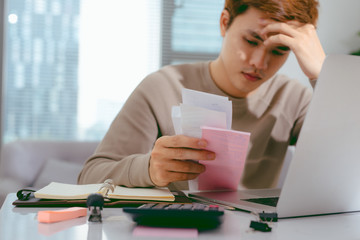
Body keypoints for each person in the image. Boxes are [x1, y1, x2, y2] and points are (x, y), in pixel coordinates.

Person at [78, 0, 325, 190]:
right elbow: (88, 178)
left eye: (280, 50)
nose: (259, 63)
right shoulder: (161, 87)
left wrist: (323, 74)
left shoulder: (294, 98)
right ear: (224, 23)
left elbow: (346, 169)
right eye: (251, 41)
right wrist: (148, 169)